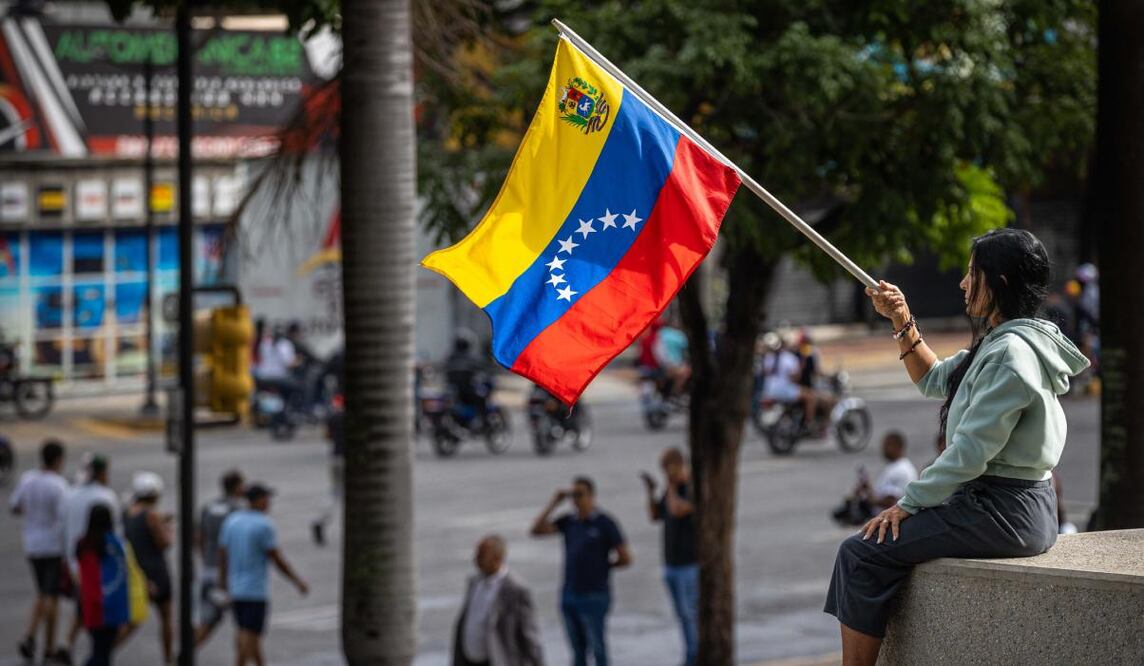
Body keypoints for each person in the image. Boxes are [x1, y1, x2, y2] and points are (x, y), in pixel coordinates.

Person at [825, 228, 1089, 666]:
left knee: (860, 553)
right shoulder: (1004, 341)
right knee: (868, 550)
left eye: (973, 274)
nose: (963, 283)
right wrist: (901, 318)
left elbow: (968, 454)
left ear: (999, 283)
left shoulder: (1009, 354)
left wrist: (907, 504)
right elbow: (934, 378)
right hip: (1006, 507)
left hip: (1004, 512)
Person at [530, 477, 631, 666]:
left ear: (591, 496)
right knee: (577, 650)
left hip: (594, 595)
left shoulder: (604, 523)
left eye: (580, 494)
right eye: (573, 495)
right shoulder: (569, 521)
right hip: (570, 593)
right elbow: (536, 530)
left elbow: (625, 557)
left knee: (597, 647)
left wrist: (604, 567)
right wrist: (554, 503)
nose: (576, 500)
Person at [219, 483, 308, 666]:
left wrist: (223, 584)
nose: (269, 502)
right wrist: (297, 580)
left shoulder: (232, 521)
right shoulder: (264, 524)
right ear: (257, 501)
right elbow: (276, 558)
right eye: (266, 498)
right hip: (255, 589)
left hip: (235, 587)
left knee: (247, 632)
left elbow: (222, 555)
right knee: (249, 635)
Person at [10, 439, 70, 664]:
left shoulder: (28, 479)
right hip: (52, 546)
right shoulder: (58, 485)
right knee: (50, 596)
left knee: (43, 592)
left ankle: (43, 643)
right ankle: (39, 640)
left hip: (32, 544)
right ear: (57, 460)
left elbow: (15, 506)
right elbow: (64, 517)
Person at [640, 448, 698, 666]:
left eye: (668, 468)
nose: (666, 473)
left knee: (690, 615)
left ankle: (694, 655)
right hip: (672, 564)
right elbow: (656, 516)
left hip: (689, 564)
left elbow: (677, 510)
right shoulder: (670, 491)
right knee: (683, 617)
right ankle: (690, 654)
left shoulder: (689, 488)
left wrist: (671, 485)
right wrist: (651, 492)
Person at [62, 454, 121, 661]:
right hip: (98, 566)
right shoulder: (106, 497)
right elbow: (116, 536)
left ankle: (68, 644)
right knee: (99, 630)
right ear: (102, 473)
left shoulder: (71, 494)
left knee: (82, 605)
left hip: (73, 561)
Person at [452, 535, 545, 666]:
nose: (475, 559)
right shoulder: (474, 582)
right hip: (469, 660)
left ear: (497, 558)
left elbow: (530, 636)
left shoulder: (516, 590)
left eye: (481, 555)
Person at [75, 504, 145, 666]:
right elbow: (124, 572)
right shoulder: (115, 544)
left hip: (91, 607)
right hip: (112, 608)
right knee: (103, 654)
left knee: (100, 650)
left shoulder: (84, 544)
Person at [123, 472, 174, 665]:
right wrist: (167, 528)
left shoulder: (128, 512)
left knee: (132, 619)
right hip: (156, 571)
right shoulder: (151, 515)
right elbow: (164, 543)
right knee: (166, 617)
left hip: (136, 570)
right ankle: (168, 660)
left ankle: (106, 652)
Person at [195, 469, 245, 646]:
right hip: (229, 573)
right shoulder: (238, 510)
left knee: (207, 620)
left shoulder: (208, 507)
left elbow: (199, 538)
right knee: (245, 625)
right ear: (237, 487)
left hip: (209, 569)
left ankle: (185, 655)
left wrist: (206, 560)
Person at [652, 323, 690, 397]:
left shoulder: (660, 333)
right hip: (674, 363)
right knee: (685, 373)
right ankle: (676, 392)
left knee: (671, 375)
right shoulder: (678, 335)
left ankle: (665, 392)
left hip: (664, 363)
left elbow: (656, 349)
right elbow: (685, 345)